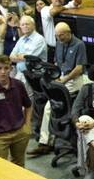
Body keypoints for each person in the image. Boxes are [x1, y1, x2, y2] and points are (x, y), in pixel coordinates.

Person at [28, 22, 88, 157]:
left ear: (69, 32)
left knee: (51, 107)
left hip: (73, 80)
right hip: (60, 79)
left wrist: (64, 80)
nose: (59, 38)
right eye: (57, 36)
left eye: (61, 35)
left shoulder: (79, 45)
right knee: (49, 107)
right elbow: (57, 63)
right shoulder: (59, 43)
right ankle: (45, 143)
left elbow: (79, 69)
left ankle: (47, 142)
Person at [0, 55, 33, 165]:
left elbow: (28, 105)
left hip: (20, 133)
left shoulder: (18, 85)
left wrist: (27, 126)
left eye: (6, 68)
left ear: (11, 69)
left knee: (19, 164)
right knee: (0, 167)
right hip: (0, 136)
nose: (3, 72)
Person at [8, 14, 48, 82]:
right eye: (22, 25)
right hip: (20, 73)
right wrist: (22, 56)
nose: (25, 26)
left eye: (27, 24)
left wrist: (19, 56)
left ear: (33, 25)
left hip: (33, 75)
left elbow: (29, 58)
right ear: (20, 26)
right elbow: (11, 57)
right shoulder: (21, 39)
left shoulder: (39, 39)